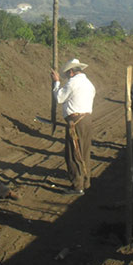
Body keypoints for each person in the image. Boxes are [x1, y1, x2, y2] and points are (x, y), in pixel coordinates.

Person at [50, 58, 96, 195]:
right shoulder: (89, 83)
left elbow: (59, 98)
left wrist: (56, 82)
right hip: (87, 119)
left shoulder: (73, 83)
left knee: (73, 153)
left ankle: (77, 186)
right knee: (84, 151)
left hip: (76, 121)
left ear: (71, 72)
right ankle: (86, 181)